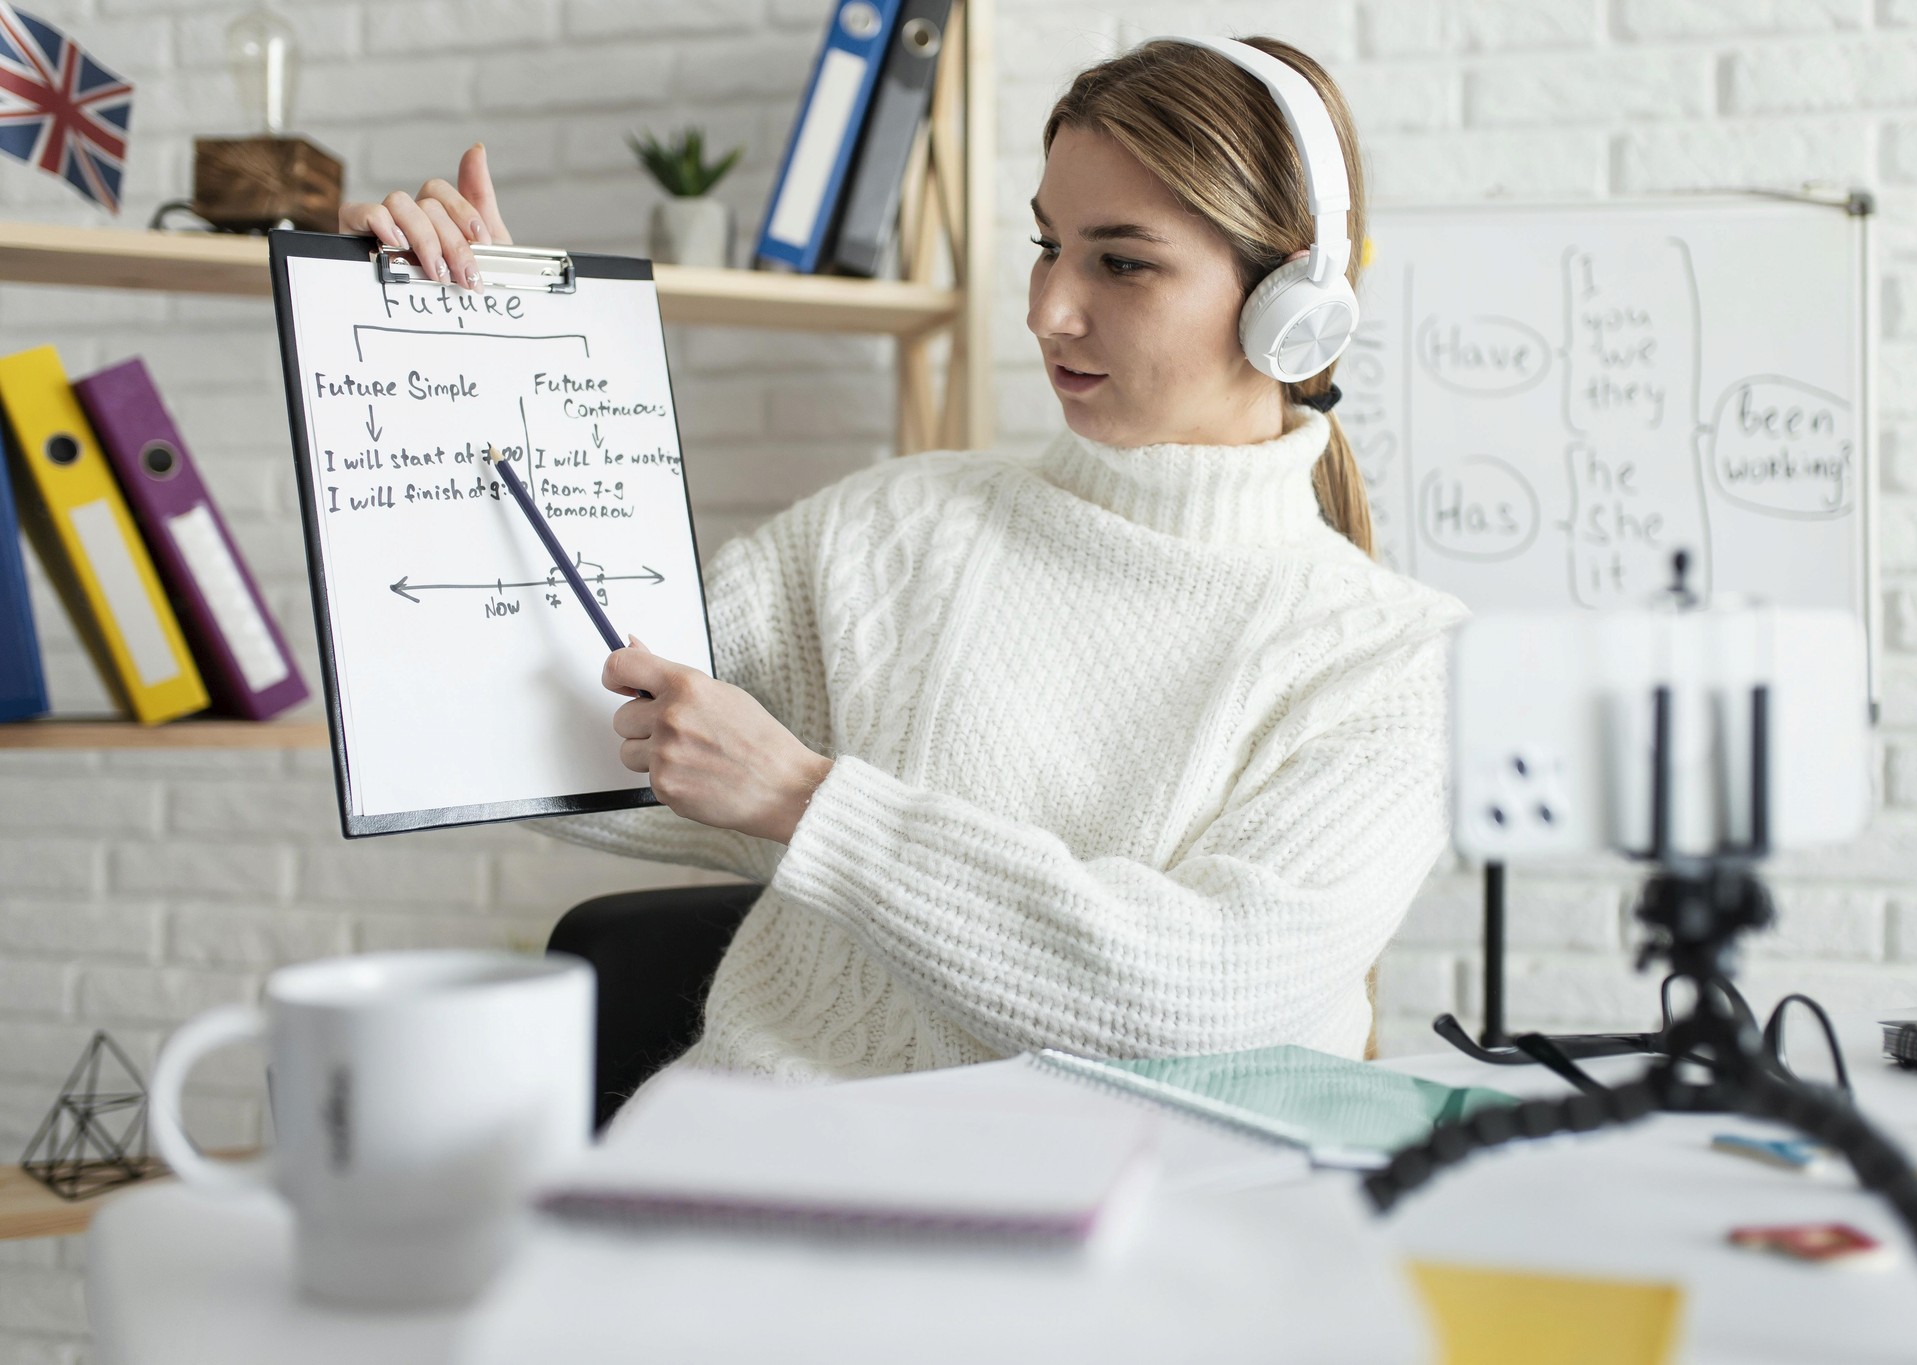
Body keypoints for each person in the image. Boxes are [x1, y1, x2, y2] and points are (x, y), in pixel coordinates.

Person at [339, 36, 1466, 1088]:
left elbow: (1209, 997)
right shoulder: (894, 527)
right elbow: (507, 727)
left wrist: (803, 799)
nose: (1047, 310)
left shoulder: (1393, 657)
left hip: (1118, 1239)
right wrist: (465, 367)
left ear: (1290, 310)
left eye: (1121, 263)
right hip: (749, 1163)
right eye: (1045, 245)